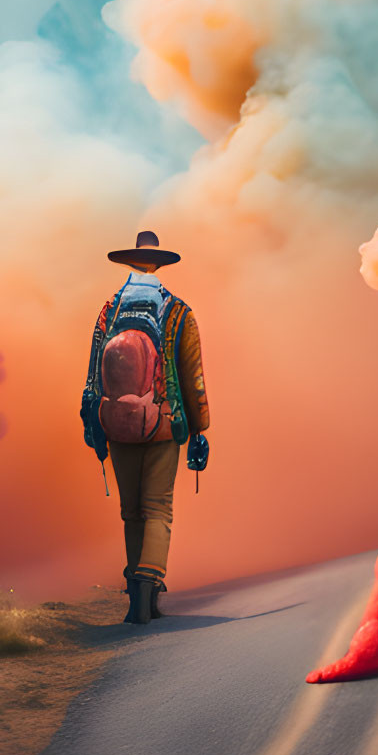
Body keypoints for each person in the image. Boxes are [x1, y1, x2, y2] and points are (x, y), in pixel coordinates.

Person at [81, 231, 211, 625]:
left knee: (131, 511)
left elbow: (92, 374)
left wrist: (93, 420)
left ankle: (135, 594)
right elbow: (193, 377)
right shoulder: (178, 311)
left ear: (129, 263)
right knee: (158, 508)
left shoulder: (108, 311)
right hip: (164, 424)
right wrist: (199, 428)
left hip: (116, 424)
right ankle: (146, 591)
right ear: (160, 265)